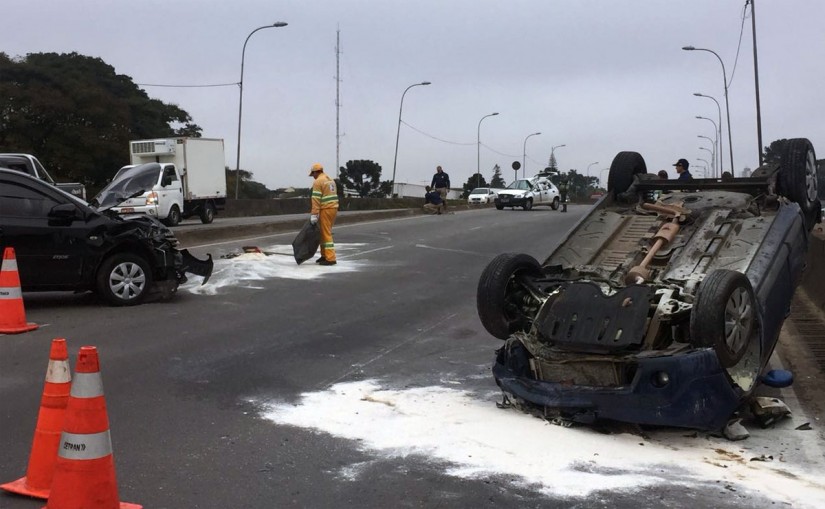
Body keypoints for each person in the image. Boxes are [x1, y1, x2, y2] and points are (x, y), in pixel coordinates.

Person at [308, 163, 339, 265]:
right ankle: (324, 255)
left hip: (326, 208)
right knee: (323, 232)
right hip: (333, 208)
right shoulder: (330, 179)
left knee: (325, 233)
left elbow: (316, 199)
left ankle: (330, 258)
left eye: (313, 174)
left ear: (316, 172)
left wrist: (314, 214)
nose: (313, 176)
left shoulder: (318, 182)